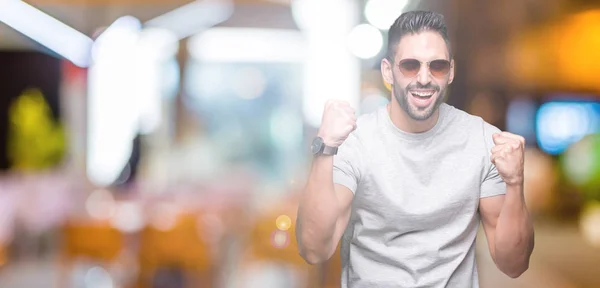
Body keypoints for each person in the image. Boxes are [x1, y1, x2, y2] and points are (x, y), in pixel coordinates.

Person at [295, 10, 534, 288]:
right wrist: (325, 147)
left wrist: (515, 182)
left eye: (437, 66)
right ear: (388, 71)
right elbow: (314, 248)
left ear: (451, 71)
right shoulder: (355, 142)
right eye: (410, 65)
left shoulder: (483, 141)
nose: (424, 78)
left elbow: (514, 264)